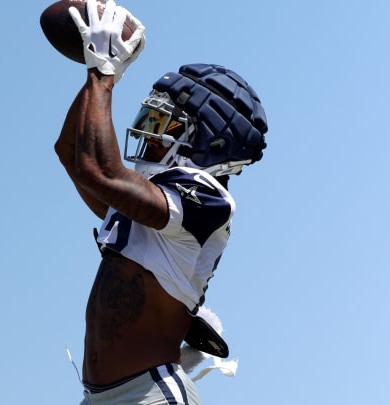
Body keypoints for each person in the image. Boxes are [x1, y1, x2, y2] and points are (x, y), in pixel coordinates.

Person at [56, 1, 269, 403]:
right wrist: (95, 72)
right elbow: (71, 152)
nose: (150, 136)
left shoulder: (209, 201)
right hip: (99, 395)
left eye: (163, 125)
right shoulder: (155, 200)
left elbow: (96, 169)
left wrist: (104, 73)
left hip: (150, 394)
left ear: (208, 142)